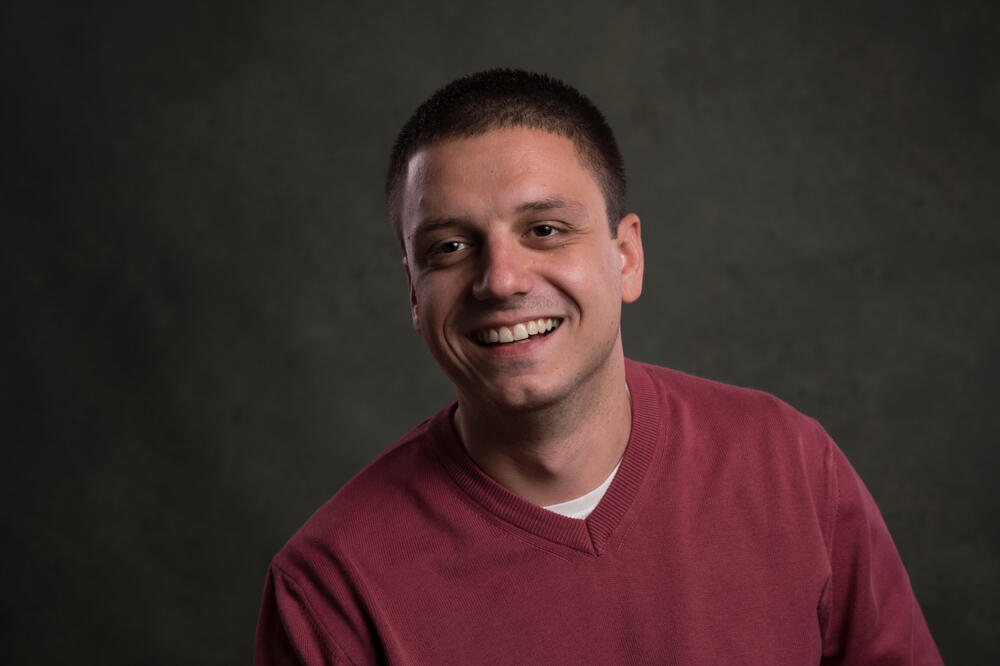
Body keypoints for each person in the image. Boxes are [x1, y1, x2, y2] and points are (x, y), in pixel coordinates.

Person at [255, 69, 942, 665]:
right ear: (413, 292)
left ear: (626, 257)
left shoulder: (791, 466)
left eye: (544, 230)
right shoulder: (329, 591)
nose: (501, 280)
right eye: (451, 247)